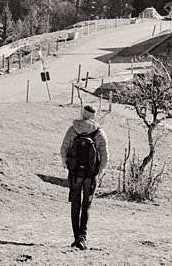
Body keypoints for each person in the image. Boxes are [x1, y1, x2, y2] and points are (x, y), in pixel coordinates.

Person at [60, 103, 108, 250]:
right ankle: (83, 238)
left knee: (75, 204)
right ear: (94, 116)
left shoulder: (72, 129)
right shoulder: (99, 132)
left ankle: (75, 238)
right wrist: (100, 170)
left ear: (82, 113)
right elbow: (104, 154)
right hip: (90, 174)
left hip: (75, 174)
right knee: (86, 205)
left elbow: (64, 149)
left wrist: (66, 164)